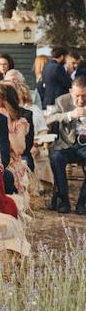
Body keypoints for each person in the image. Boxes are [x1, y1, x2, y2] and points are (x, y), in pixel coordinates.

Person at [46, 77, 86, 214]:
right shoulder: (62, 101)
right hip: (66, 144)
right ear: (71, 92)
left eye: (84, 96)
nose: (80, 100)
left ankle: (82, 202)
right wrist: (70, 115)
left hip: (84, 145)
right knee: (55, 157)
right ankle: (63, 200)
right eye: (77, 96)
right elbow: (50, 118)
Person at [0, 82, 31, 193]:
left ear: (4, 100)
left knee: (4, 175)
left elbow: (19, 149)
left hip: (11, 163)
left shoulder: (19, 122)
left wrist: (7, 125)